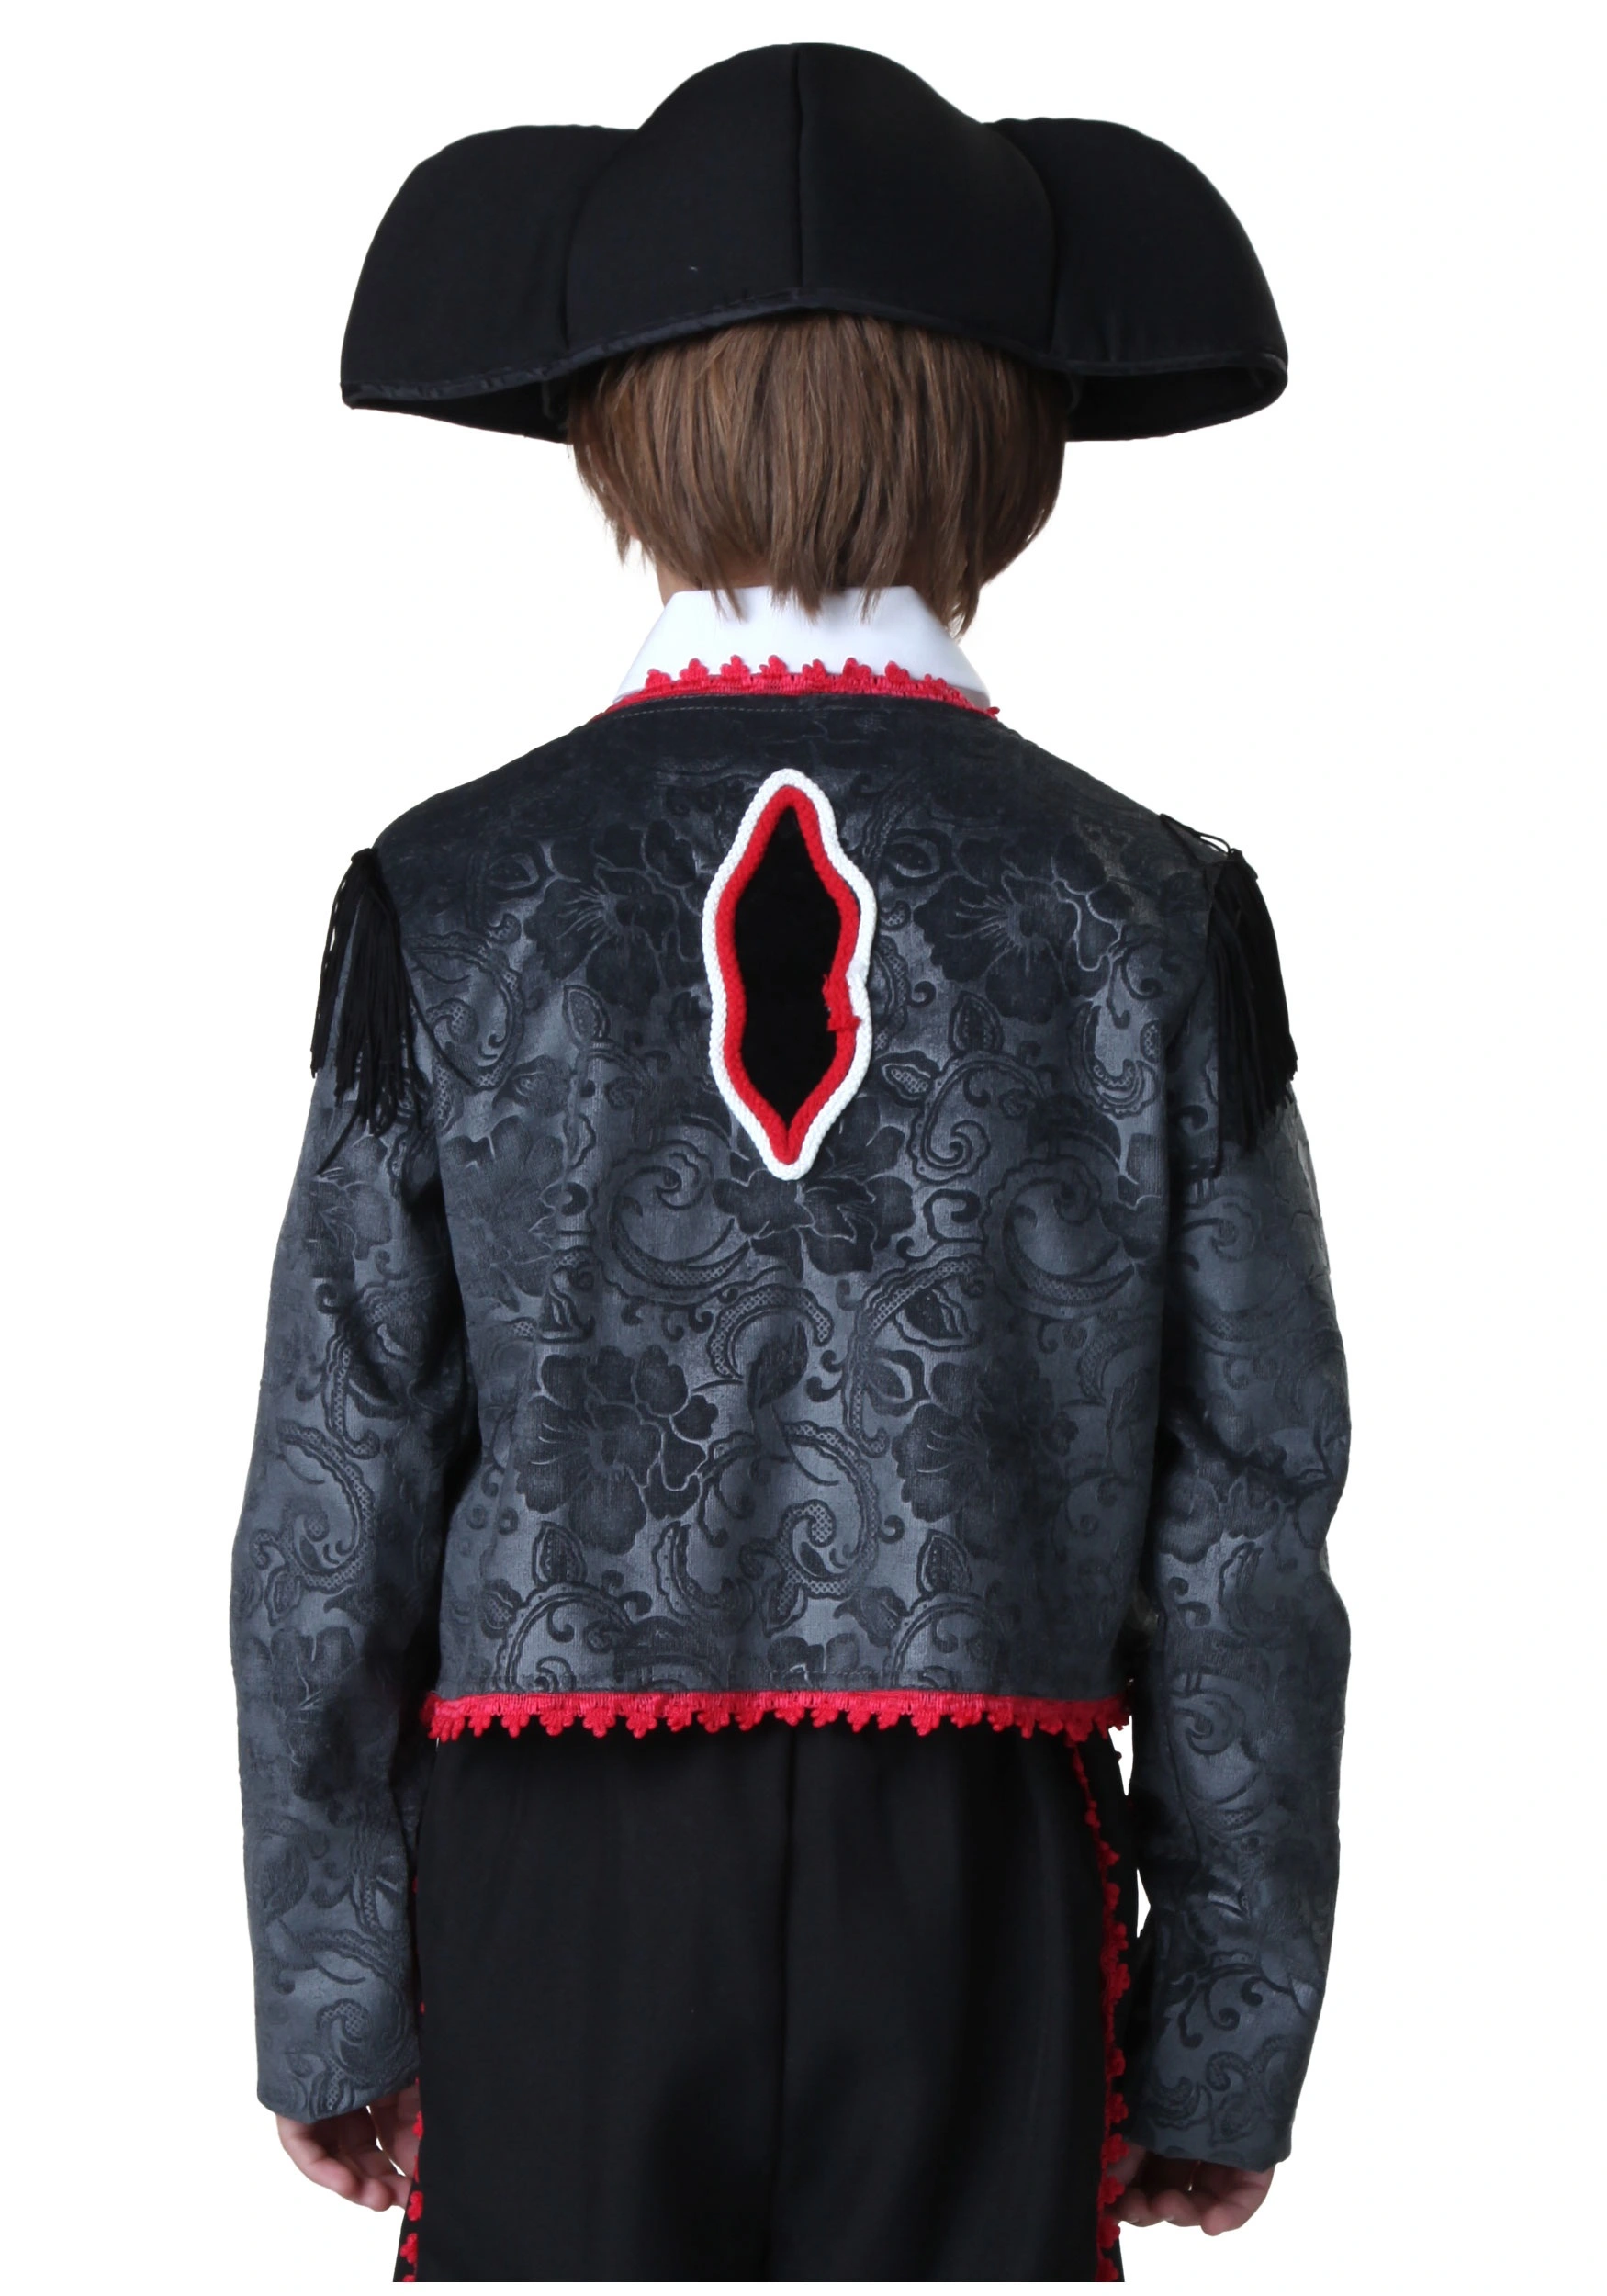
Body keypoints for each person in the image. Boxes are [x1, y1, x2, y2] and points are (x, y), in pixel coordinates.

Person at [232, 44, 1349, 2281]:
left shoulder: (456, 891)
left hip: (550, 1886)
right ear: (1013, 446)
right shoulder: (1145, 908)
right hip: (975, 1883)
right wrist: (1220, 2034)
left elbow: (334, 1479)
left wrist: (333, 1984)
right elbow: (1245, 1513)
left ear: (609, 427)